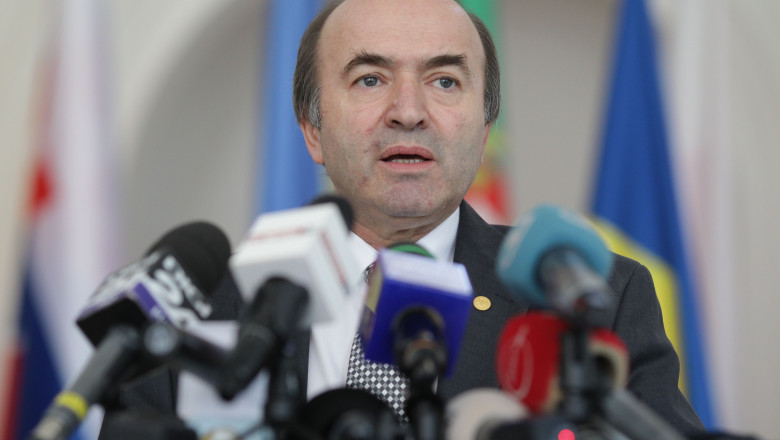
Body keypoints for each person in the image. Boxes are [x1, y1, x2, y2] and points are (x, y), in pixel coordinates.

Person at [106, 0, 704, 436]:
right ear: (312, 128)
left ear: (484, 128)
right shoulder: (201, 307)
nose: (409, 111)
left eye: (444, 80)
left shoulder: (590, 297)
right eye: (370, 79)